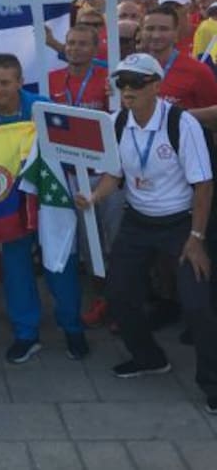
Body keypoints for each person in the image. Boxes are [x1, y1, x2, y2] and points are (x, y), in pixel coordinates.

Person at [74, 54, 217, 414]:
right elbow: (114, 174)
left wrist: (197, 239)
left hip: (180, 223)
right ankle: (149, 358)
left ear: (156, 85)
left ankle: (212, 381)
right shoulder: (117, 122)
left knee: (198, 305)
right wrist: (94, 197)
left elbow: (203, 186)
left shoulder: (181, 124)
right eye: (122, 83)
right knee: (119, 295)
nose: (127, 90)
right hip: (138, 221)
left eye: (136, 83)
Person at [0, 54, 87, 363]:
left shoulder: (42, 108)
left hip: (49, 199)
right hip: (8, 204)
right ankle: (26, 334)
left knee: (60, 264)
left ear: (19, 81)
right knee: (15, 268)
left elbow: (75, 147)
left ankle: (73, 328)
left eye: (4, 82)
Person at [48, 24, 109, 111]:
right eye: (71, 43)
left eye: (83, 44)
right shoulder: (50, 79)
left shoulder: (108, 79)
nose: (75, 48)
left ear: (95, 50)